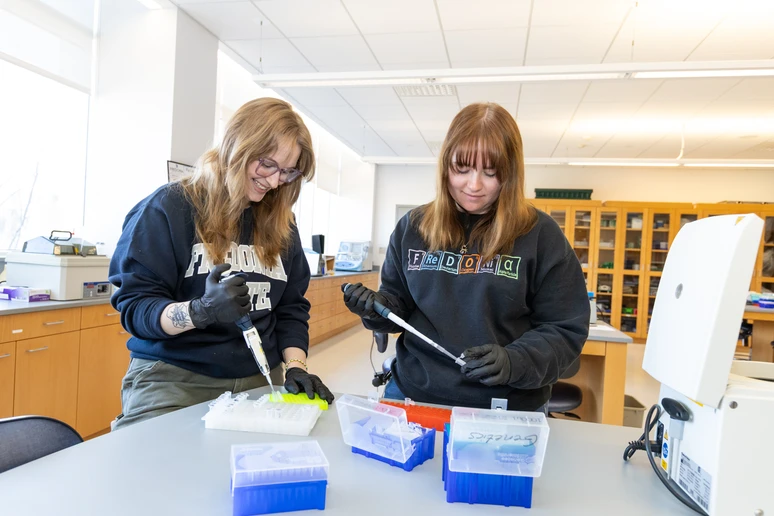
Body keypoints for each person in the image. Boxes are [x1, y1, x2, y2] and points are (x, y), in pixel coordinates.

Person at [342, 102, 589, 412]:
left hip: (505, 409)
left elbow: (565, 330)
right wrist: (376, 310)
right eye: (463, 169)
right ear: (446, 165)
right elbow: (398, 306)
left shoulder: (540, 235)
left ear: (510, 174)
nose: (474, 185)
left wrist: (515, 361)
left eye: (490, 172)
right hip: (414, 395)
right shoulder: (412, 228)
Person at [109, 98, 334, 430]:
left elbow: (290, 309)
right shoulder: (169, 208)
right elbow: (136, 308)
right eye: (267, 164)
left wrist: (296, 366)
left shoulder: (282, 226)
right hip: (176, 379)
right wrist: (199, 311)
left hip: (260, 376)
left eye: (287, 173)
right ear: (237, 146)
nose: (274, 182)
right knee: (156, 472)